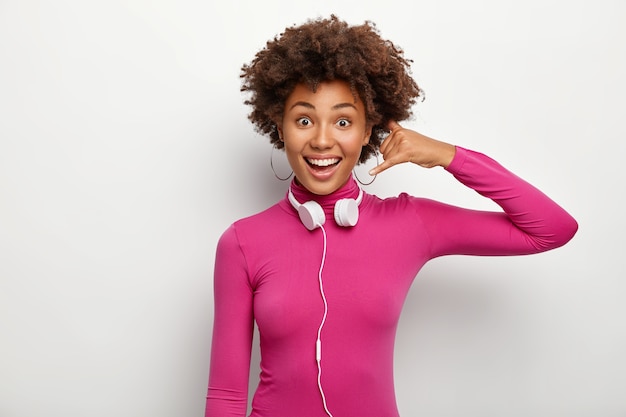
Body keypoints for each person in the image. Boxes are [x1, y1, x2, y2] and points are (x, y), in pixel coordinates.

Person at [204, 15, 578, 417]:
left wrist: (449, 156)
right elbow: (225, 394)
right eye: (304, 120)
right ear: (280, 126)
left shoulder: (409, 224)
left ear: (368, 131)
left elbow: (551, 229)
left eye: (344, 121)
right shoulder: (242, 243)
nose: (323, 140)